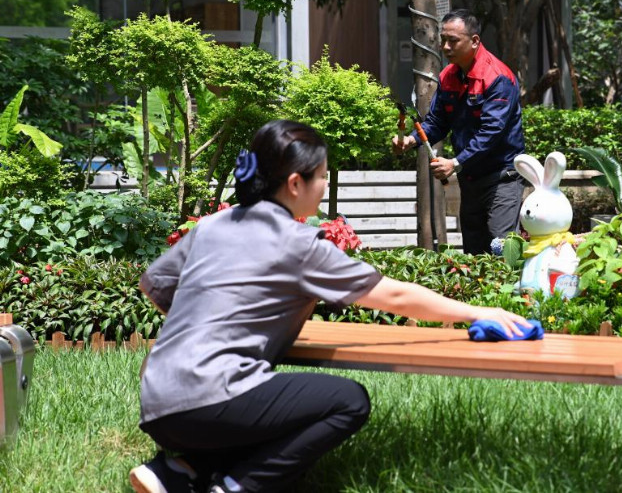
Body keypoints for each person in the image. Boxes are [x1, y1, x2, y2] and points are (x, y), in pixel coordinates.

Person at [130, 119, 528, 493]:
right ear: (295, 183)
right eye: (322, 176)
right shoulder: (298, 243)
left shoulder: (214, 224)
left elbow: (155, 287)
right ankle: (237, 485)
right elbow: (394, 296)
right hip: (210, 401)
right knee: (347, 401)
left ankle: (180, 470)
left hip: (157, 398)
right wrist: (478, 312)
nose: (324, 184)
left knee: (268, 404)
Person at [392, 9, 527, 254]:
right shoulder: (448, 76)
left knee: (502, 250)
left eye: (453, 40)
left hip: (502, 178)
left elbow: (491, 133)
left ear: (474, 41)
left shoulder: (497, 77)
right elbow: (437, 122)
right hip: (470, 178)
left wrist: (454, 163)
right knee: (474, 255)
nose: (445, 47)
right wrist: (412, 139)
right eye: (443, 39)